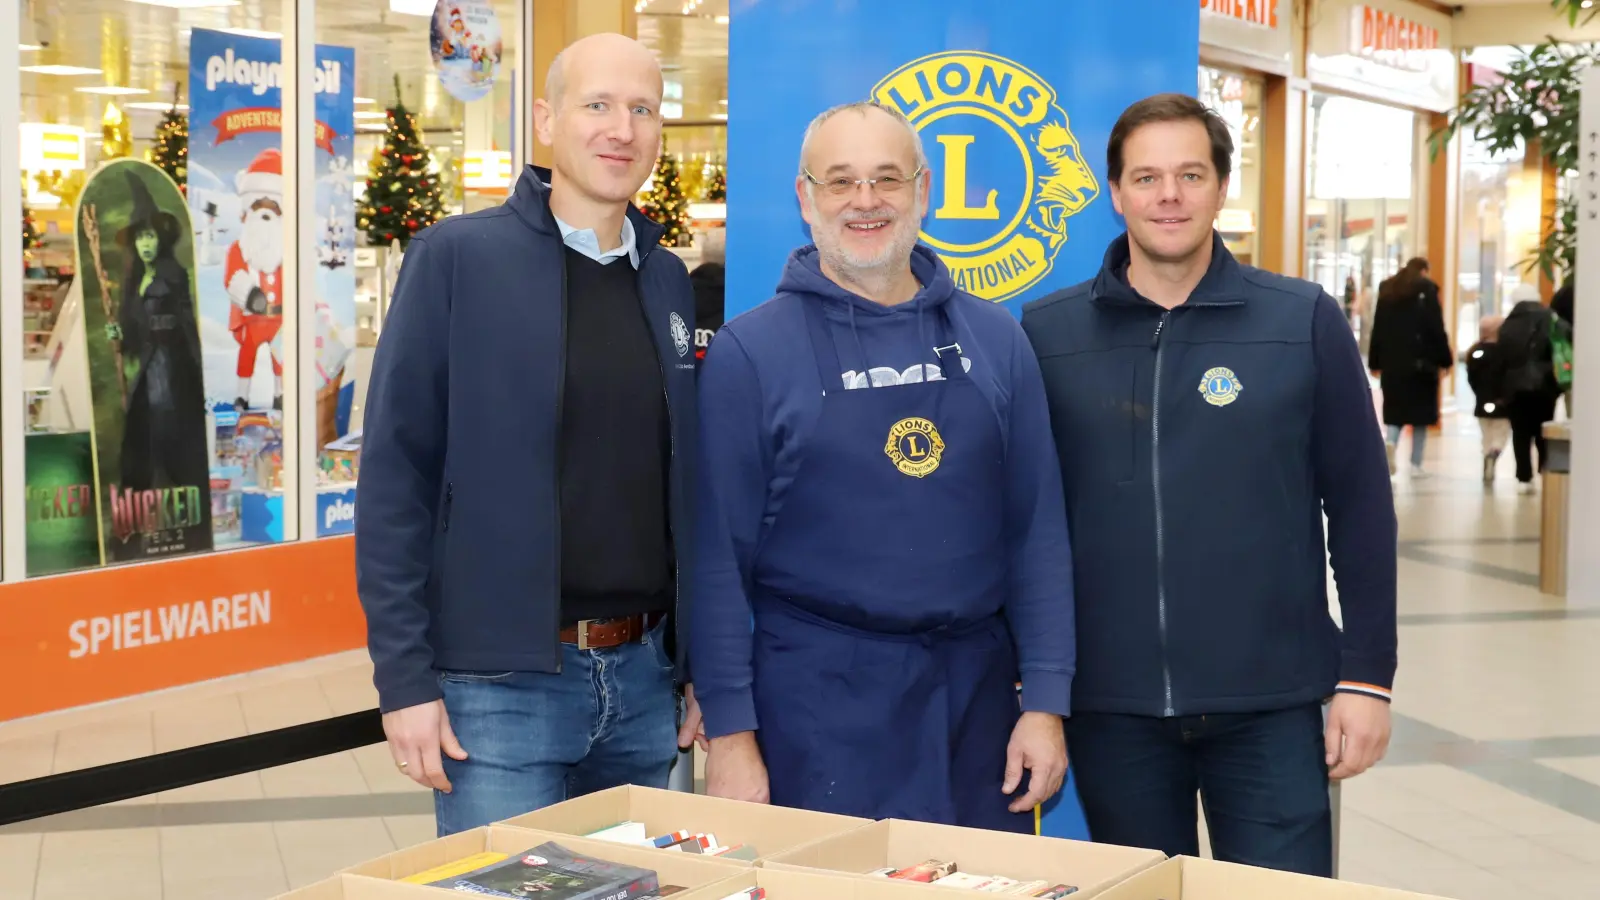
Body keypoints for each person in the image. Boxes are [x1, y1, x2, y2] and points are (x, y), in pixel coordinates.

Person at [1020, 93, 1397, 877]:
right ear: (1114, 191)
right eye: (1147, 176)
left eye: (1191, 174)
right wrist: (1034, 686)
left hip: (1270, 701)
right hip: (1111, 704)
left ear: (1223, 187)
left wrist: (1367, 677)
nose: (1169, 195)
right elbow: (1023, 524)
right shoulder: (1046, 336)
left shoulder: (1301, 320)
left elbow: (1361, 511)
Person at [691, 99, 1075, 833]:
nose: (865, 201)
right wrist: (735, 735)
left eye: (887, 179)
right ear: (806, 198)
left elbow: (1038, 534)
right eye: (840, 182)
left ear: (923, 191)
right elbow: (715, 562)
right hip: (813, 706)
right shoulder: (750, 354)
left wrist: (1046, 704)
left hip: (977, 708)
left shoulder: (997, 340)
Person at [355, 32, 703, 838]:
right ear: (547, 120)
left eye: (643, 109)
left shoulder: (667, 280)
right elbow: (396, 479)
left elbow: (686, 490)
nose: (622, 128)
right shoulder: (456, 260)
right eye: (598, 105)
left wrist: (699, 667)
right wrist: (403, 680)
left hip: (646, 681)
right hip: (498, 687)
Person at [1367, 257, 1453, 478]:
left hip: (1392, 364)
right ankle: (1415, 464)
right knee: (1421, 417)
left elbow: (1378, 327)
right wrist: (1445, 359)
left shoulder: (1388, 290)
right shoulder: (1426, 290)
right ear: (1424, 270)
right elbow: (1436, 327)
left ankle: (1391, 444)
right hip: (1421, 365)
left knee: (1396, 413)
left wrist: (1375, 361)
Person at [1496, 297, 1567, 494]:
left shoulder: (1508, 326)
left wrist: (1499, 389)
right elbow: (1566, 341)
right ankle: (1546, 470)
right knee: (1543, 431)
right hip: (1544, 385)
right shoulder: (1551, 320)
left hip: (1515, 388)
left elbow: (1500, 359)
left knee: (1520, 434)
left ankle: (1524, 478)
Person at [1465, 314, 1512, 485]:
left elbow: (1471, 377)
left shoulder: (1475, 352)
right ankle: (1494, 453)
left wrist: (1479, 393)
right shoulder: (1506, 352)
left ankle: (1487, 455)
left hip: (1482, 401)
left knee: (1486, 434)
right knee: (1501, 433)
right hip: (1502, 403)